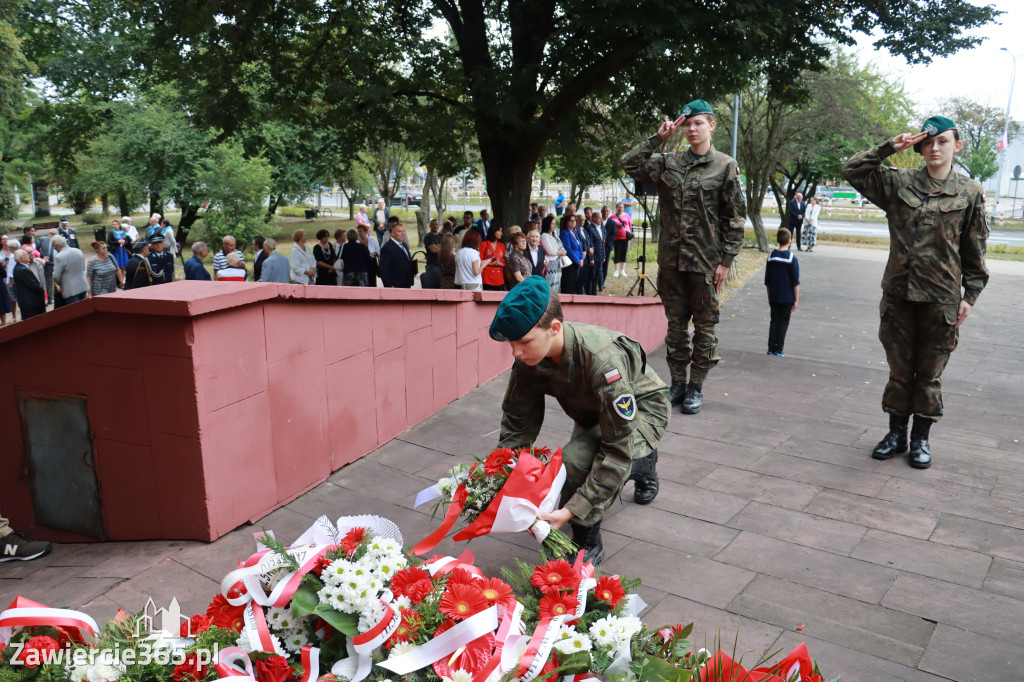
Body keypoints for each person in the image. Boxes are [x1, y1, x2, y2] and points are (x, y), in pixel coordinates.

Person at [843, 115, 989, 469]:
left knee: (929, 372)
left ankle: (920, 439)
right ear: (920, 147)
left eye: (942, 142)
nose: (934, 148)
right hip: (899, 296)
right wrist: (889, 147)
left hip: (940, 301)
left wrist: (970, 295)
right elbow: (852, 170)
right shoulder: (900, 182)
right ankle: (895, 434)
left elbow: (974, 248)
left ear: (956, 145)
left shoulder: (969, 192)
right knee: (899, 370)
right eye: (928, 142)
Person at [489, 276, 668, 564]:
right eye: (512, 344)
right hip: (593, 412)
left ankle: (587, 540)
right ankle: (642, 464)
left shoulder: (603, 363)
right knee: (574, 465)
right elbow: (517, 421)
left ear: (554, 328)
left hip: (643, 412)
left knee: (575, 463)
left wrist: (571, 512)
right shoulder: (529, 358)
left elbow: (617, 449)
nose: (516, 352)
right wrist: (502, 473)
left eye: (523, 342)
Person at [621, 98, 747, 414]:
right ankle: (677, 383)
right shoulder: (669, 162)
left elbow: (734, 218)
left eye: (698, 123)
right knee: (675, 328)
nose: (691, 128)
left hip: (705, 264)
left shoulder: (725, 166)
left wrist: (726, 262)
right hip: (671, 263)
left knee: (705, 328)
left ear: (711, 126)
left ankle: (696, 387)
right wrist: (659, 137)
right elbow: (629, 163)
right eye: (687, 124)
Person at [764, 228, 800, 357]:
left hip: (774, 296)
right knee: (783, 322)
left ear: (778, 240)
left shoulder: (771, 256)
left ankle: (770, 348)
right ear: (789, 241)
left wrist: (769, 296)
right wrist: (796, 299)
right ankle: (779, 349)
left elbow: (767, 280)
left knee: (774, 321)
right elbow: (795, 282)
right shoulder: (792, 258)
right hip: (787, 297)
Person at [51, 235, 88, 306]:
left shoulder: (59, 257)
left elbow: (56, 276)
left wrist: (60, 284)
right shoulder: (78, 251)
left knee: (74, 313)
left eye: (54, 246)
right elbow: (83, 268)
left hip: (70, 290)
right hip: (82, 285)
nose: (54, 248)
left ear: (57, 245)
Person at [378, 223, 416, 288]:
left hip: (406, 283)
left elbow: (406, 260)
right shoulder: (387, 248)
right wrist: (390, 285)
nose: (403, 233)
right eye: (399, 231)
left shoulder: (404, 245)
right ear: (392, 234)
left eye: (403, 231)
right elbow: (383, 269)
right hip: (396, 285)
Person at [12, 250, 45, 319]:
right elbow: (33, 285)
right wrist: (42, 291)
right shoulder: (22, 270)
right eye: (26, 255)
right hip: (31, 303)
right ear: (22, 258)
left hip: (28, 302)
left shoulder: (19, 268)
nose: (28, 256)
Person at [559, 214, 584, 295]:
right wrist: (577, 260)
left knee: (575, 284)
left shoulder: (575, 232)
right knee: (568, 284)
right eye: (571, 221)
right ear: (566, 222)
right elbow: (568, 249)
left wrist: (582, 258)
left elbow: (580, 246)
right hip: (570, 262)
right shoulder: (564, 233)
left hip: (578, 261)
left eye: (575, 221)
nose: (573, 222)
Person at [539, 215, 565, 292]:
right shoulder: (544, 236)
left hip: (558, 262)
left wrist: (562, 251)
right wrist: (560, 252)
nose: (554, 226)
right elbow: (550, 250)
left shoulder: (555, 235)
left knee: (556, 283)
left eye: (555, 224)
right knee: (550, 283)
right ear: (548, 224)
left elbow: (561, 246)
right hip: (551, 263)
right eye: (552, 224)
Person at [585, 210, 608, 293]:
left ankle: (594, 293)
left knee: (597, 276)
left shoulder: (601, 228)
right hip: (594, 257)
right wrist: (591, 258)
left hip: (600, 256)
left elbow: (602, 244)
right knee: (591, 276)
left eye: (601, 219)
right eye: (599, 218)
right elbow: (590, 244)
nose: (601, 220)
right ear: (594, 219)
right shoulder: (590, 229)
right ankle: (590, 293)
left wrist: (604, 256)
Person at [609, 202, 633, 278]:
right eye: (619, 207)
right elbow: (609, 226)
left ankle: (622, 270)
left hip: (625, 237)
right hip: (616, 238)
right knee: (617, 253)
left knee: (624, 253)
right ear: (616, 208)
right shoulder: (612, 216)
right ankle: (616, 270)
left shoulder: (627, 215)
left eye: (622, 207)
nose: (620, 209)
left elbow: (629, 225)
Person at [480, 223, 506, 291]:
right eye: (499, 231)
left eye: (501, 231)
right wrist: (491, 264)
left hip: (499, 276)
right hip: (487, 276)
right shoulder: (484, 244)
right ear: (493, 231)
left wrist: (502, 264)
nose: (501, 233)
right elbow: (479, 260)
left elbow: (504, 260)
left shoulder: (502, 245)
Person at [106, 218, 130, 283]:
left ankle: (122, 280)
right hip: (116, 251)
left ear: (119, 225)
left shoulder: (123, 232)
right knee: (117, 266)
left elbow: (127, 241)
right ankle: (118, 280)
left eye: (115, 224)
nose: (114, 226)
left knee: (124, 266)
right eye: (113, 224)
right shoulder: (111, 232)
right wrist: (117, 242)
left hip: (123, 251)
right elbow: (109, 242)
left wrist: (124, 241)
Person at [422, 218, 443, 289]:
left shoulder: (442, 236)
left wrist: (437, 246)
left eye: (436, 224)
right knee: (432, 286)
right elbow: (433, 249)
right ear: (430, 226)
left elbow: (448, 247)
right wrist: (442, 247)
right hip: (432, 265)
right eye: (433, 224)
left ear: (439, 225)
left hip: (442, 265)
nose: (435, 226)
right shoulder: (428, 237)